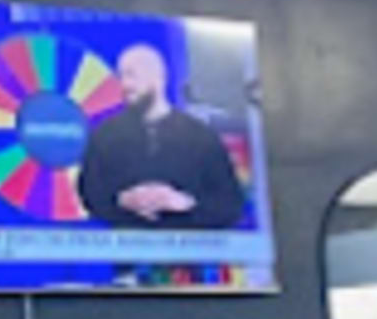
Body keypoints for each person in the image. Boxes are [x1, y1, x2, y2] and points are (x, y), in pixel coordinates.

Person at [79, 42, 252, 230]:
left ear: (158, 77)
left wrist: (185, 203)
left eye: (132, 75)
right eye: (121, 76)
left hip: (188, 246)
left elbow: (230, 204)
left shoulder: (201, 136)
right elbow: (89, 194)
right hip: (126, 245)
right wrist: (121, 200)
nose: (125, 85)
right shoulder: (106, 134)